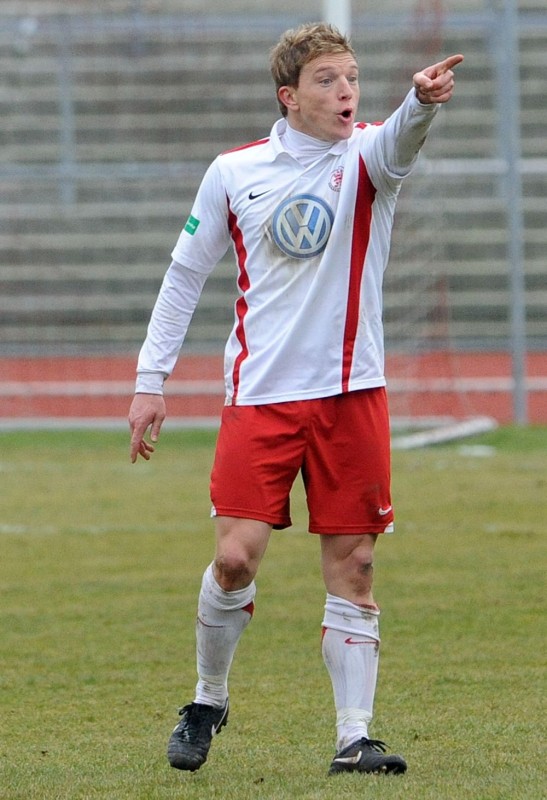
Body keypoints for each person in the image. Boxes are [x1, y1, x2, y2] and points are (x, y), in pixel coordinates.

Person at [128, 22, 463, 777]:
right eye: (326, 80)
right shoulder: (233, 171)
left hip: (352, 396)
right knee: (236, 559)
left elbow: (402, 138)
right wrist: (151, 383)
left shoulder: (369, 157)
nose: (345, 90)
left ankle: (353, 737)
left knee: (355, 566)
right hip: (261, 400)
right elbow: (184, 275)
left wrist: (422, 102)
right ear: (290, 97)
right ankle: (207, 698)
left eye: (350, 76)